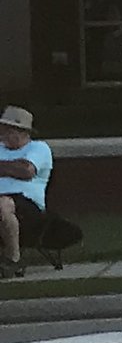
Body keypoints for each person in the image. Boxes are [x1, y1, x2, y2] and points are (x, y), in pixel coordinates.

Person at [0, 107, 65, 278]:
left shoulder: (38, 148)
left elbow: (27, 171)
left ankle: (13, 259)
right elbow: (19, 168)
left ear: (23, 132)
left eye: (8, 130)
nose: (3, 133)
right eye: (3, 129)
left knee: (2, 203)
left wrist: (5, 167)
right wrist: (11, 167)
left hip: (29, 208)